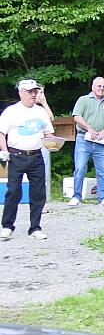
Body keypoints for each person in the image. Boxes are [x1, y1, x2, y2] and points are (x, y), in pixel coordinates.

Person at [0, 79, 55, 241]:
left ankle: (35, 227)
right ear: (21, 92)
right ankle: (7, 226)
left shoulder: (40, 112)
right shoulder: (12, 111)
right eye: (30, 92)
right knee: (13, 192)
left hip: (36, 155)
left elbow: (48, 133)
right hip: (16, 155)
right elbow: (1, 133)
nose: (33, 94)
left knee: (38, 193)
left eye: (35, 91)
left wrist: (55, 142)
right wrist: (4, 151)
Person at [69, 77, 104, 207]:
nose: (101, 89)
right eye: (99, 86)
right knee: (80, 167)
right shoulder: (84, 100)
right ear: (93, 87)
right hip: (83, 138)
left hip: (101, 140)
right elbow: (76, 116)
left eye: (103, 87)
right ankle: (76, 196)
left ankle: (103, 197)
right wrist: (89, 128)